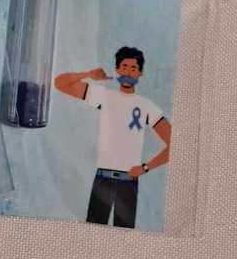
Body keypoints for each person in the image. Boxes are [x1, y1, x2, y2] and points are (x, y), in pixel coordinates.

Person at [54, 46, 171, 228]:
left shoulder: (146, 106)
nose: (128, 72)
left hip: (128, 182)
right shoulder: (105, 97)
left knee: (124, 235)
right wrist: (88, 74)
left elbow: (174, 144)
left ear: (140, 73)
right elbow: (60, 83)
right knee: (93, 231)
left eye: (133, 68)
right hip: (103, 179)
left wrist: (146, 167)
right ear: (117, 70)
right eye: (124, 67)